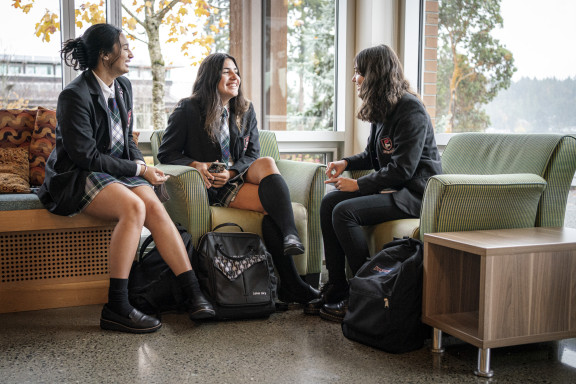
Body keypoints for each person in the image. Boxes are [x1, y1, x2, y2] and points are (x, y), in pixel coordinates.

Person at [38, 23, 215, 334]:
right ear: (106, 54)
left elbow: (127, 140)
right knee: (134, 207)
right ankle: (116, 306)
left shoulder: (123, 87)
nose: (131, 53)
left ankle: (193, 293)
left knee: (154, 205)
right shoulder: (74, 95)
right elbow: (86, 157)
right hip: (78, 175)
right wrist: (140, 171)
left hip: (114, 170)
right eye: (125, 46)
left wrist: (142, 165)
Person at [157, 53, 320, 305]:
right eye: (226, 72)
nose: (235, 77)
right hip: (211, 187)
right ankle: (293, 285)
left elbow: (253, 153)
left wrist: (232, 173)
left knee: (266, 162)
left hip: (236, 178)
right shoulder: (187, 108)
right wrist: (195, 165)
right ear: (211, 77)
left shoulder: (245, 109)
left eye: (236, 71)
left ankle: (291, 242)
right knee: (272, 206)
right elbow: (165, 153)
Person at [305, 44, 442, 322]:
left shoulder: (410, 109)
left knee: (345, 212)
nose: (355, 78)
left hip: (414, 195)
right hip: (394, 188)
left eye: (359, 72)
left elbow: (403, 169)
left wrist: (357, 185)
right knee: (329, 201)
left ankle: (362, 291)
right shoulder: (383, 108)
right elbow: (371, 155)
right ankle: (336, 286)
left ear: (375, 74)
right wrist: (346, 163)